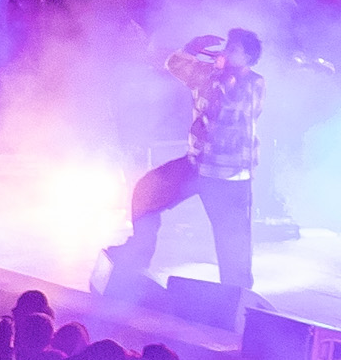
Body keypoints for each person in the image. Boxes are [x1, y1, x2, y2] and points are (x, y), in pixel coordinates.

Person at [104, 30, 268, 302]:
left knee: (233, 245)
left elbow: (228, 106)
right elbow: (174, 65)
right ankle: (137, 254)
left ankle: (238, 299)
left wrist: (215, 69)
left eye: (234, 49)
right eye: (227, 46)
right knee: (146, 193)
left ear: (249, 57)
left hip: (230, 177)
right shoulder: (211, 74)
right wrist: (192, 48)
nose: (226, 51)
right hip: (197, 165)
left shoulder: (253, 83)